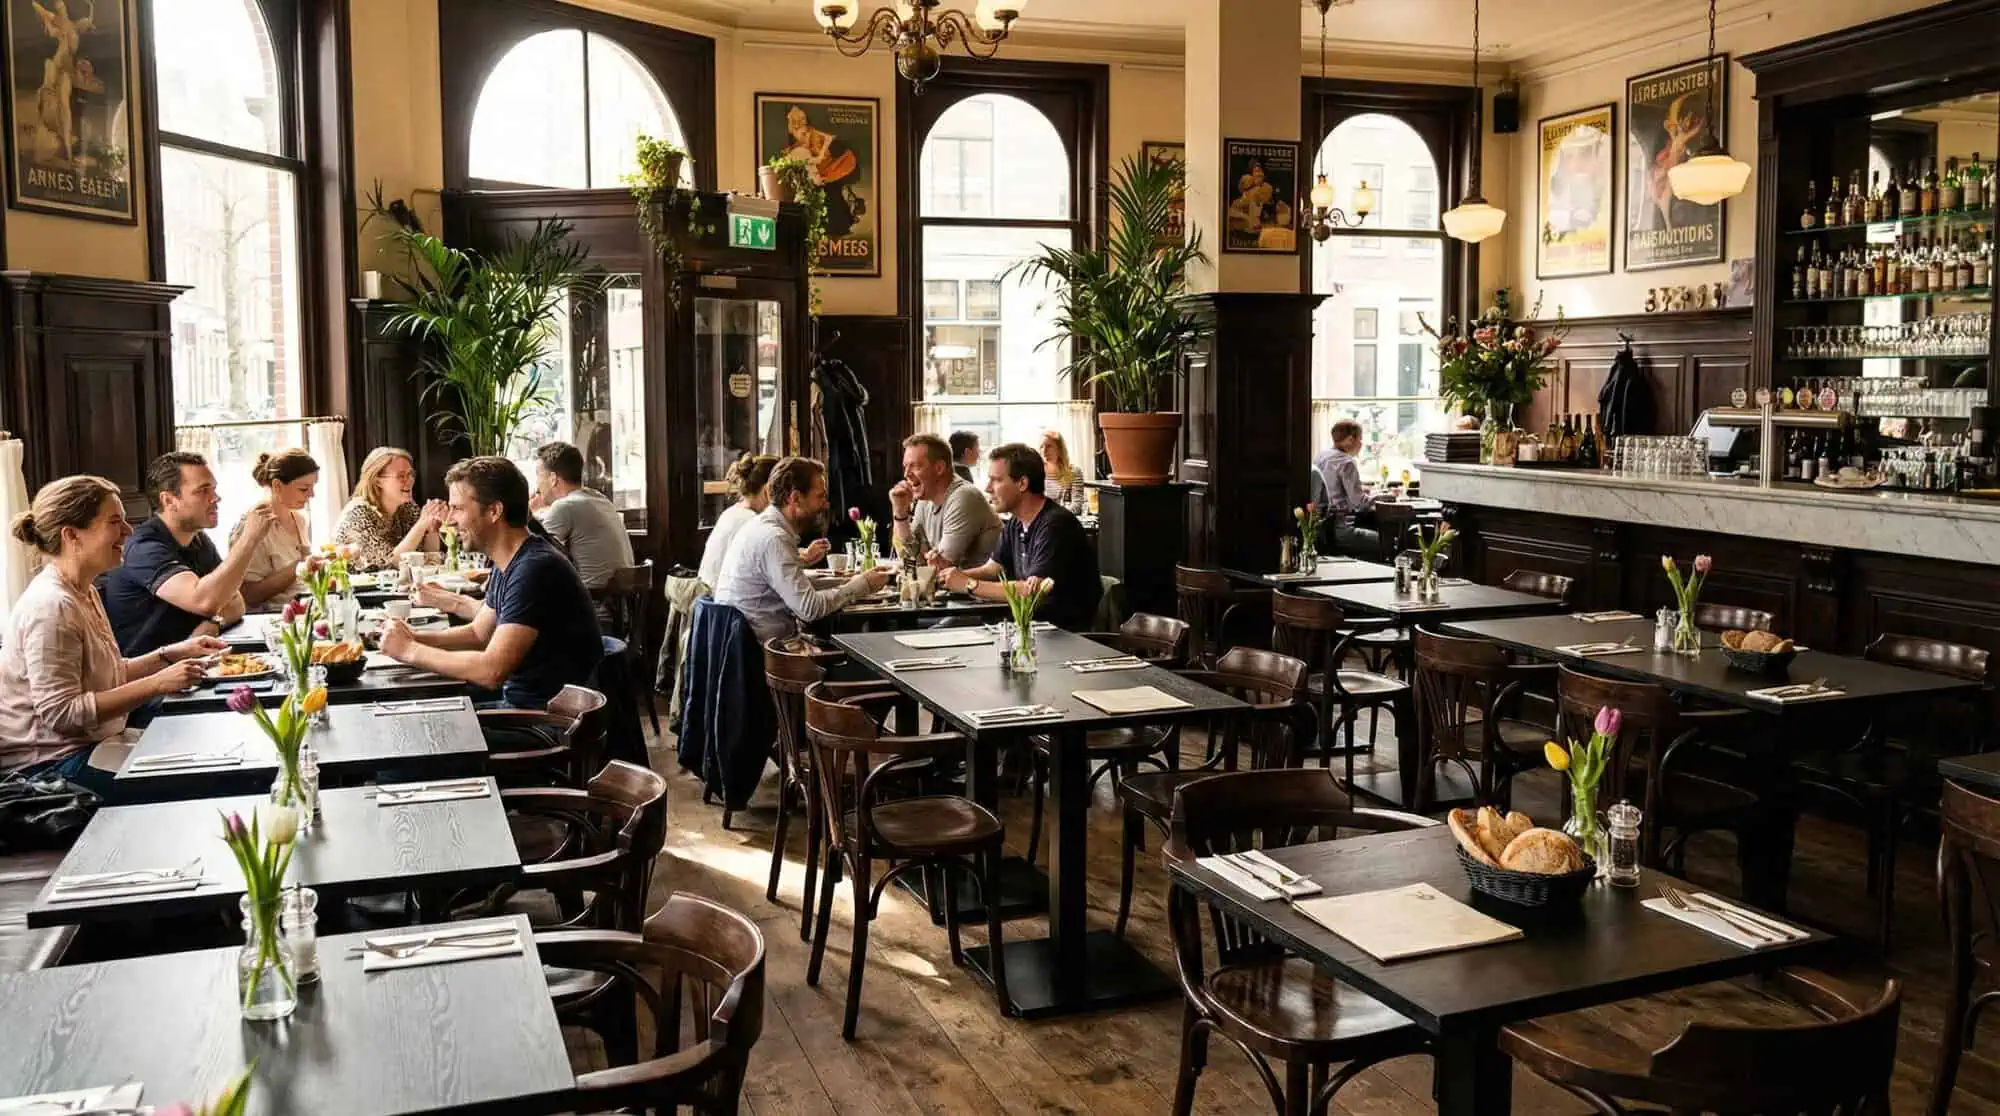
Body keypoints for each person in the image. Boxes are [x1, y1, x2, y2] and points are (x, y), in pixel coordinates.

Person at [3, 476, 223, 792]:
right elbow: (62, 714)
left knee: (204, 750)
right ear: (71, 535)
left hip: (93, 746)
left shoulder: (83, 591)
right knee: (197, 782)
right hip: (51, 769)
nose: (129, 531)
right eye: (115, 522)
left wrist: (169, 655)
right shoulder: (51, 606)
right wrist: (158, 682)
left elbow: (105, 674)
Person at [378, 457, 602, 709]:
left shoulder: (535, 569)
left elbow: (491, 671)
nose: (449, 520)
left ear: (494, 511)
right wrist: (413, 637)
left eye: (458, 509)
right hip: (520, 705)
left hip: (540, 719)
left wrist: (409, 650)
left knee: (409, 716)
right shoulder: (509, 560)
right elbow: (478, 633)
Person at [99, 452, 267, 657]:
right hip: (150, 671)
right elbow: (206, 602)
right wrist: (249, 539)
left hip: (192, 663)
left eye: (214, 489)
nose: (216, 498)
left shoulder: (197, 539)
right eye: (203, 491)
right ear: (169, 500)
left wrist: (213, 623)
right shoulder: (144, 547)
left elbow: (236, 602)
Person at [712, 456, 893, 645]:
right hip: (766, 654)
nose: (825, 504)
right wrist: (863, 585)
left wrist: (850, 580)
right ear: (796, 498)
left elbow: (795, 585)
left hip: (755, 644)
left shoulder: (760, 526)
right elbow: (809, 608)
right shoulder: (774, 538)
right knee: (867, 649)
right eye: (820, 496)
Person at [939, 443, 1101, 630]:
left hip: (1061, 635)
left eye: (996, 480)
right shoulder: (1016, 522)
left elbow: (1031, 592)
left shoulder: (1056, 525)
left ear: (1022, 483)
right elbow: (993, 569)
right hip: (1026, 628)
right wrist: (947, 578)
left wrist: (968, 584)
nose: (988, 488)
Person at [530, 441, 634, 591]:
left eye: (538, 476)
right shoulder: (600, 499)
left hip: (590, 602)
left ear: (553, 479)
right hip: (620, 602)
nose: (537, 484)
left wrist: (528, 514)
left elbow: (532, 557)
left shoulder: (565, 507)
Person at [890, 433, 1001, 569]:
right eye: (905, 466)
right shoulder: (925, 500)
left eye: (915, 466)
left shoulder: (964, 497)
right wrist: (900, 514)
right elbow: (911, 559)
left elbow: (940, 567)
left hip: (986, 582)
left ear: (939, 468)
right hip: (951, 582)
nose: (906, 474)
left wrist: (920, 561)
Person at [230, 448, 317, 609]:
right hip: (270, 617)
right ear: (277, 486)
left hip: (304, 610)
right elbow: (248, 595)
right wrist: (299, 566)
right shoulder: (252, 527)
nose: (312, 495)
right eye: (304, 489)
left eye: (313, 487)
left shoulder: (300, 519)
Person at [335, 446, 446, 571]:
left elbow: (427, 560)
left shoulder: (407, 508)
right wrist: (421, 525)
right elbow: (390, 564)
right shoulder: (357, 515)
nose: (410, 480)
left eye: (410, 474)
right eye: (401, 476)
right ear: (378, 481)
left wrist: (432, 529)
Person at [1313, 419, 1380, 557]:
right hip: (1340, 530)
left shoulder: (1321, 456)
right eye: (1360, 439)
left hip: (1321, 529)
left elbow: (1332, 486)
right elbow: (1360, 503)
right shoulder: (1347, 462)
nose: (1361, 444)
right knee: (1388, 543)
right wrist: (1386, 497)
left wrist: (1362, 489)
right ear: (1350, 439)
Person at [1039, 430, 1089, 516]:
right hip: (1040, 520)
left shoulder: (1073, 472)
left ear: (1059, 449)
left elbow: (1076, 505)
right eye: (1041, 447)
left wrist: (1055, 516)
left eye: (1049, 446)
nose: (1044, 451)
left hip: (1063, 519)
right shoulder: (1037, 472)